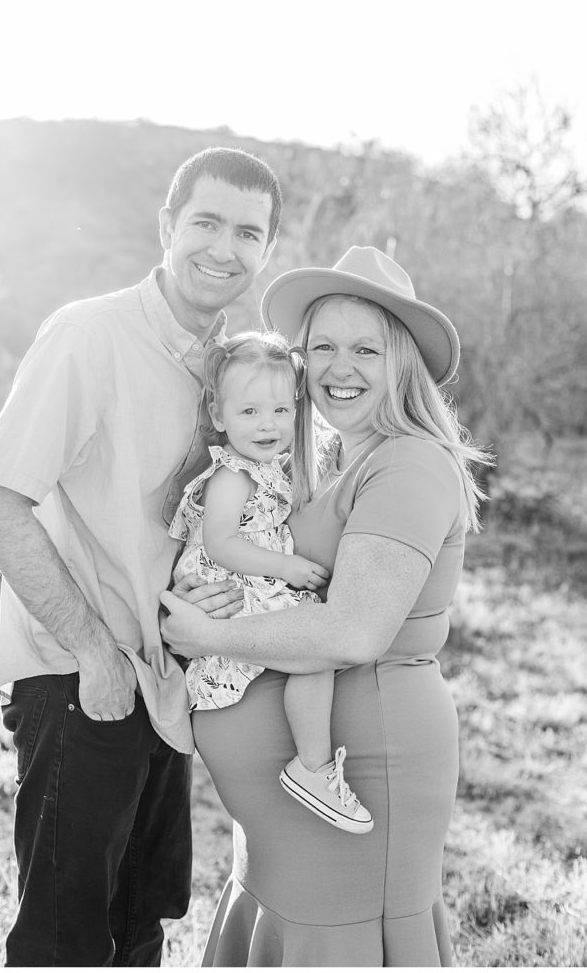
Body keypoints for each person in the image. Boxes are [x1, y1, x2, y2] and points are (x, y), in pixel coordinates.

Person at [0, 146, 282, 967]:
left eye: (247, 232)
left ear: (267, 251)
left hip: (165, 683)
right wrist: (92, 654)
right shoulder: (88, 336)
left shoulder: (232, 369)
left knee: (141, 924)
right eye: (206, 222)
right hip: (82, 675)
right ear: (167, 226)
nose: (224, 247)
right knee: (66, 941)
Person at [161, 245, 492, 967]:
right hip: (284, 823)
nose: (341, 368)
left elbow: (353, 630)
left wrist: (207, 631)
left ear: (401, 361)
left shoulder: (407, 463)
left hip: (363, 775)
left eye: (366, 349)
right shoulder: (337, 458)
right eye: (324, 348)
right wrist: (203, 586)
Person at [168, 331, 373, 834]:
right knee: (314, 651)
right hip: (239, 586)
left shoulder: (274, 467)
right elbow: (219, 543)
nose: (268, 425)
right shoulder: (232, 475)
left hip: (256, 583)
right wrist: (286, 568)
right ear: (219, 416)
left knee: (313, 658)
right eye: (250, 412)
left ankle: (312, 763)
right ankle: (314, 766)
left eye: (281, 411)